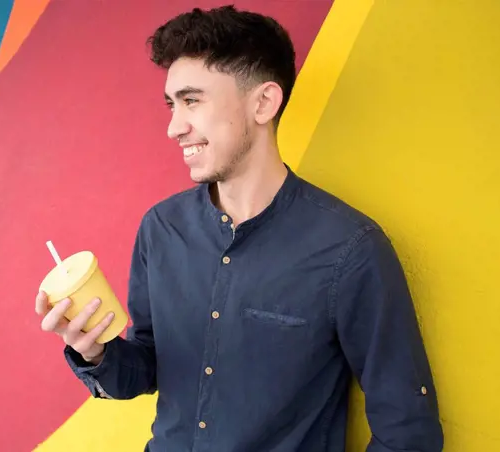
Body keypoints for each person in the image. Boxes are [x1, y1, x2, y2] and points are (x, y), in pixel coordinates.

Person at [36, 5, 444, 451]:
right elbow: (147, 370)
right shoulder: (161, 229)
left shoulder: (350, 250)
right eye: (172, 105)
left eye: (193, 101)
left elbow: (408, 433)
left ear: (264, 103)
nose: (174, 126)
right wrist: (95, 353)